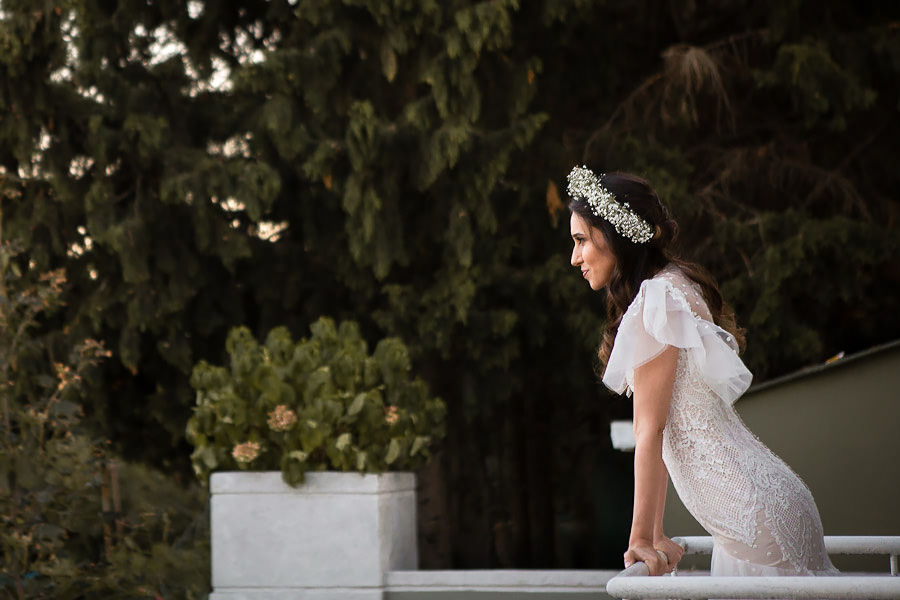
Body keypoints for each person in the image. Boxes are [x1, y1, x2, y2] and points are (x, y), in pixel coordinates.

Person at [567, 166, 839, 578]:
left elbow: (650, 431)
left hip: (754, 522)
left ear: (615, 235)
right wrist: (655, 534)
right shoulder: (674, 284)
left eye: (581, 240)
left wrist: (640, 537)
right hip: (772, 505)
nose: (574, 257)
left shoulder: (657, 299)